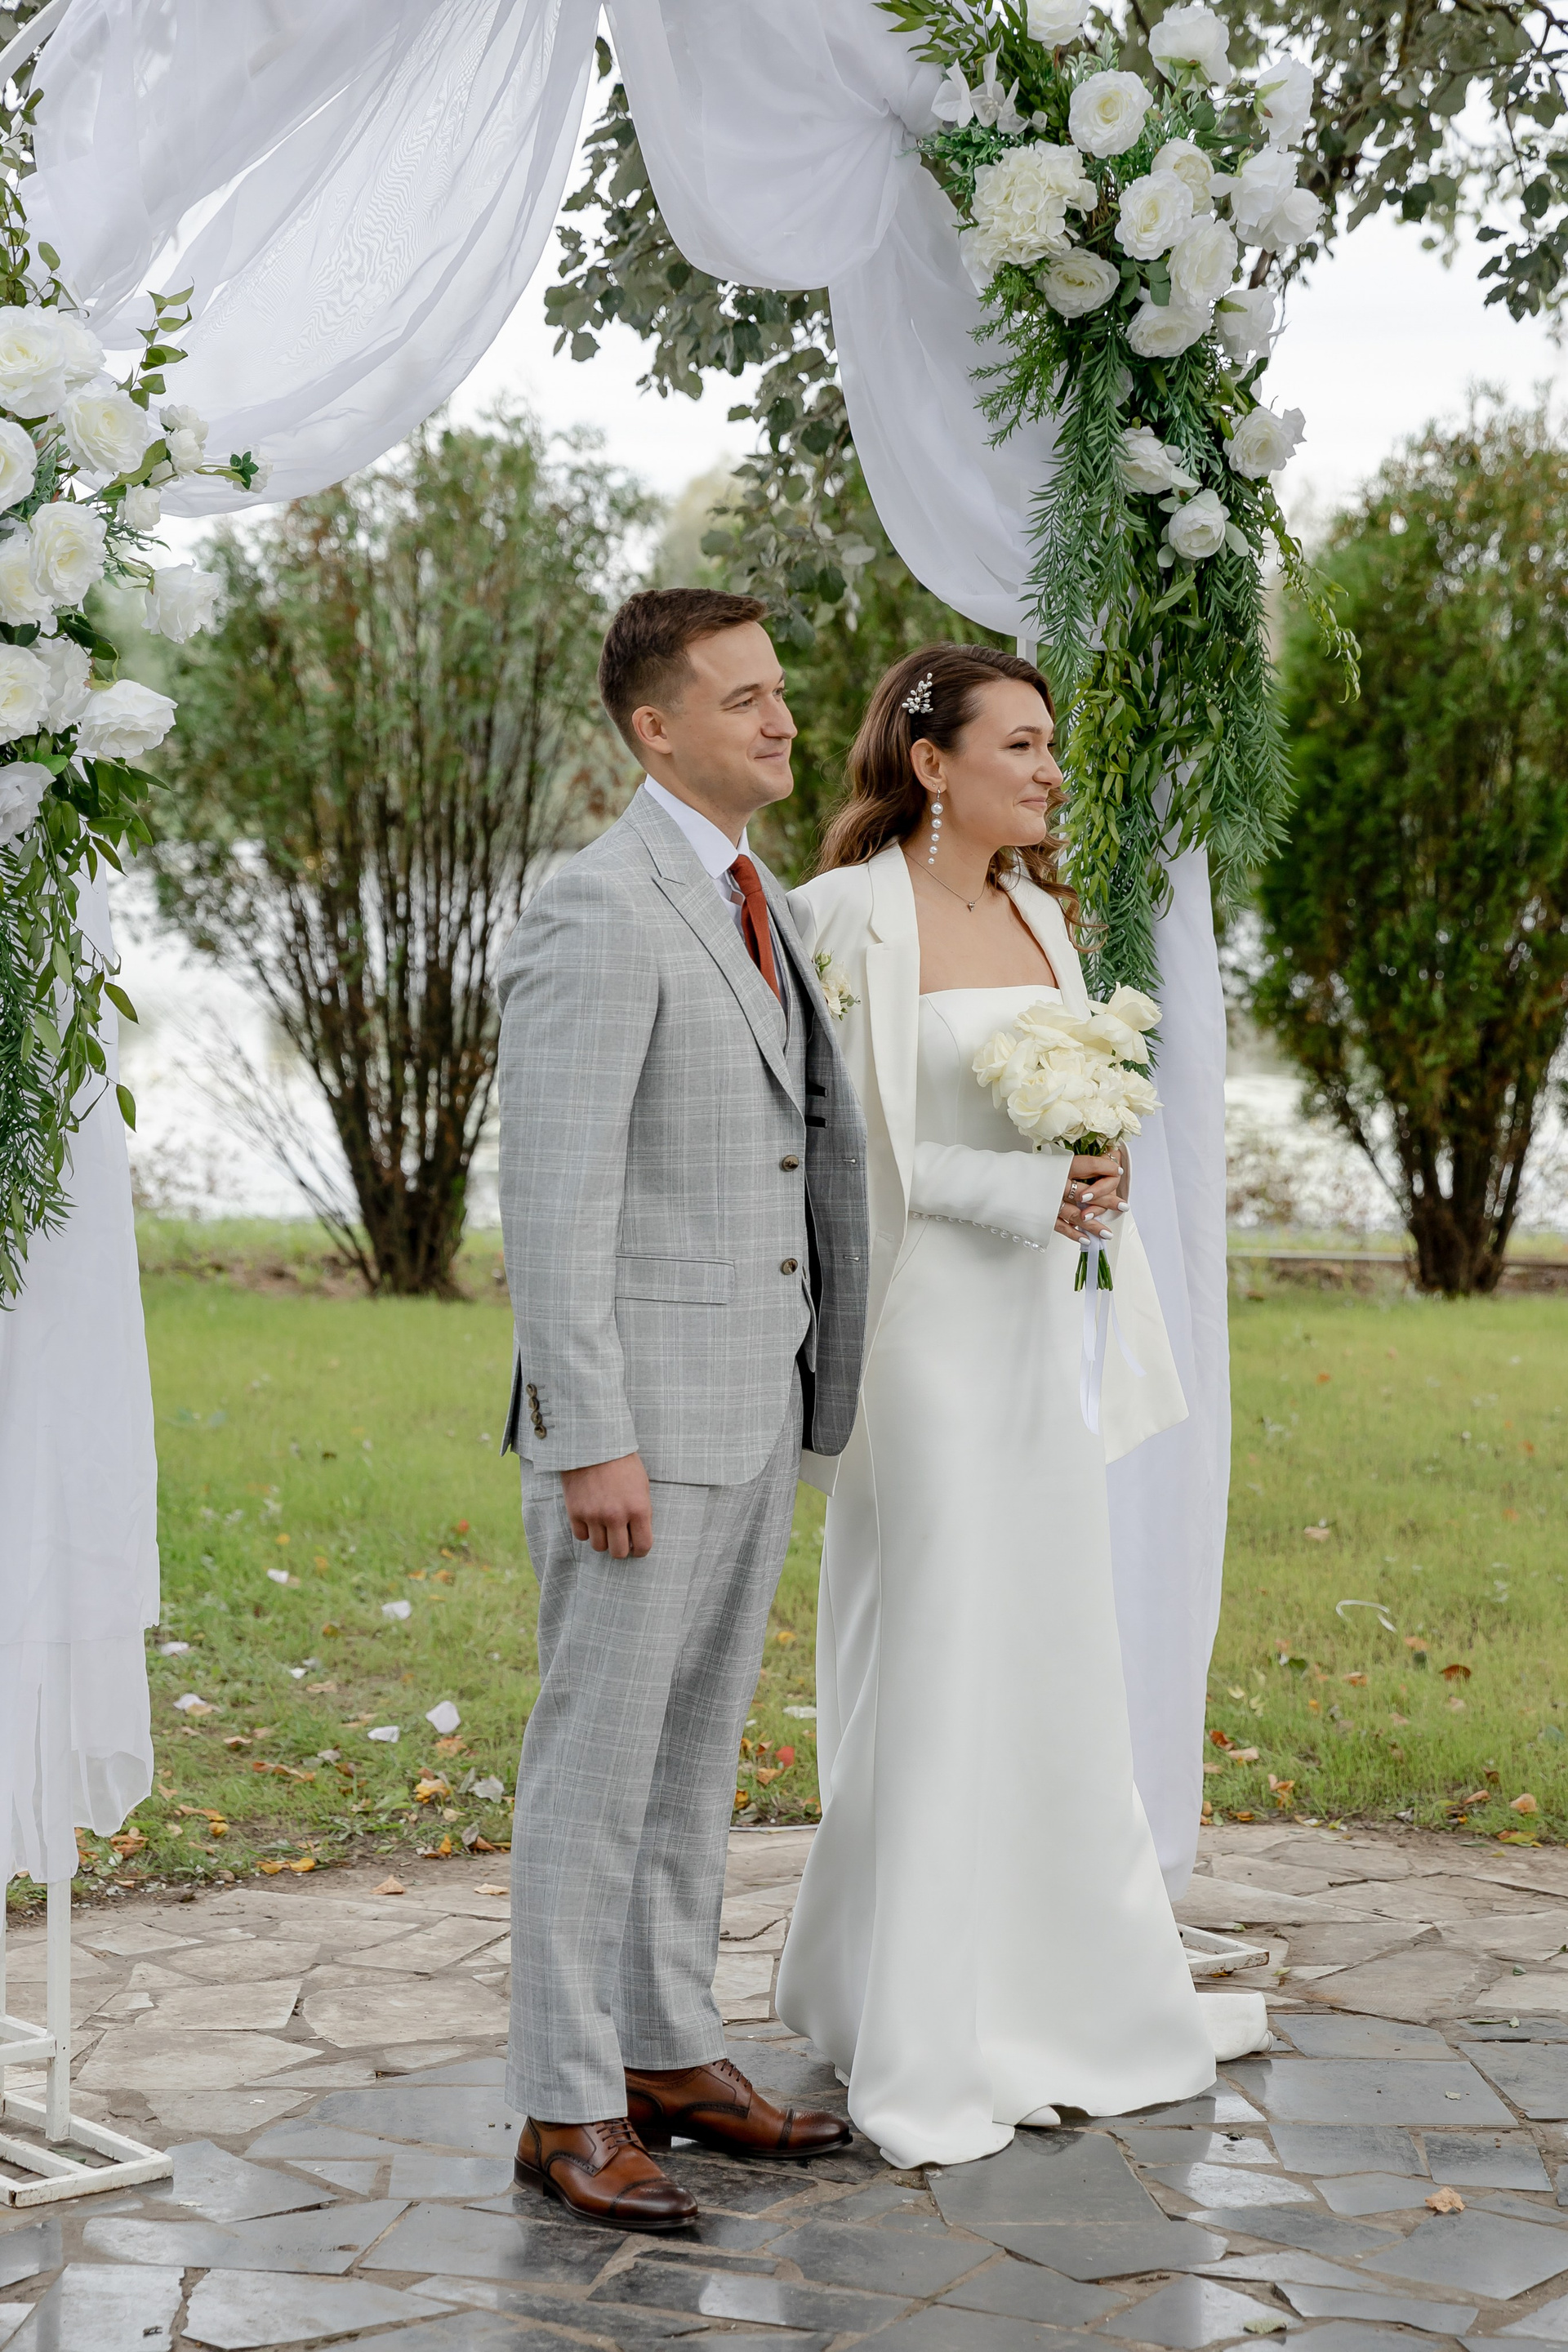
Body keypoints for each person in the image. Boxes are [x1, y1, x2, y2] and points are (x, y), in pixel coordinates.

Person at [776, 643, 1265, 2172]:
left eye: (1053, 746)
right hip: (919, 1336)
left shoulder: (1048, 916)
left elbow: (1067, 1105)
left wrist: (1097, 1166)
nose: (1052, 771)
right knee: (932, 1648)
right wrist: (1021, 1189)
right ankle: (919, 2021)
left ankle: (1063, 1991)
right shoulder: (840, 916)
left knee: (1047, 1643)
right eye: (1025, 745)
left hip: (1039, 1331)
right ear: (932, 763)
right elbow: (841, 1148)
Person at [495, 589, 871, 2230]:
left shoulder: (758, 897)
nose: (784, 721)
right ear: (657, 731)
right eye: (745, 700)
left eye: (782, 692)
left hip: (749, 1401)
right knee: (596, 1771)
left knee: (693, 1755)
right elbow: (554, 1198)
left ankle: (663, 2051)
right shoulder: (598, 908)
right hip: (638, 1428)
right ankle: (565, 2106)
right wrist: (591, 1435)